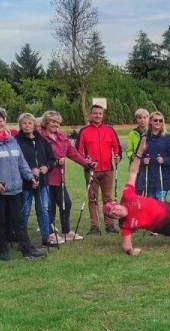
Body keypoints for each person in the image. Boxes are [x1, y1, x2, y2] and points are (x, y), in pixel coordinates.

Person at [0, 107, 46, 261]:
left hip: (15, 189)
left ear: (5, 122)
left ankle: (27, 249)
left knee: (19, 220)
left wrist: (30, 178)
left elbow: (21, 164)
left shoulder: (12, 141)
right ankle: (1, 248)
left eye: (1, 120)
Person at [39, 110, 89, 241]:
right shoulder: (40, 137)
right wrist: (56, 161)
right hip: (45, 178)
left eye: (57, 122)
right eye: (52, 122)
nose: (55, 124)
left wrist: (86, 164)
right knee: (47, 207)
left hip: (59, 178)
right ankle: (50, 234)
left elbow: (72, 153)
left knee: (66, 203)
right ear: (46, 123)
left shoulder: (61, 137)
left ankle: (66, 231)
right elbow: (39, 157)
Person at [75, 104, 122, 235]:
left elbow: (116, 146)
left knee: (108, 198)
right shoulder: (84, 131)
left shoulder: (109, 130)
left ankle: (110, 224)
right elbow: (78, 151)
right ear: (91, 115)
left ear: (103, 115)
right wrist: (86, 162)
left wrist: (118, 156)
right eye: (95, 113)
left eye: (100, 113)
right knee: (92, 198)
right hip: (91, 170)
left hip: (108, 169)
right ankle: (95, 226)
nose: (97, 116)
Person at [15, 113, 57, 247]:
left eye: (30, 123)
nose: (27, 126)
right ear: (20, 125)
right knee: (24, 211)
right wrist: (30, 172)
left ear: (34, 125)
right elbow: (16, 162)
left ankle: (46, 237)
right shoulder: (16, 141)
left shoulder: (42, 140)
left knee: (44, 209)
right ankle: (23, 240)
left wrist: (47, 167)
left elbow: (52, 159)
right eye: (24, 123)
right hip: (25, 183)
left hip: (42, 182)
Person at [139, 111, 170, 201]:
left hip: (163, 176)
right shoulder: (144, 137)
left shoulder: (167, 137)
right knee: (150, 203)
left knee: (161, 203)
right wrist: (143, 160)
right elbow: (138, 155)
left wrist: (164, 160)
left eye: (160, 120)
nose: (158, 122)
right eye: (155, 120)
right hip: (149, 176)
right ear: (150, 121)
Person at [125, 109, 149, 194]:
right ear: (136, 119)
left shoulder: (152, 132)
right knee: (137, 190)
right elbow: (129, 150)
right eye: (139, 118)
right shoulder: (132, 133)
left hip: (148, 164)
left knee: (148, 191)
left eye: (144, 117)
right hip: (137, 164)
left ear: (148, 118)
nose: (142, 120)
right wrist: (132, 156)